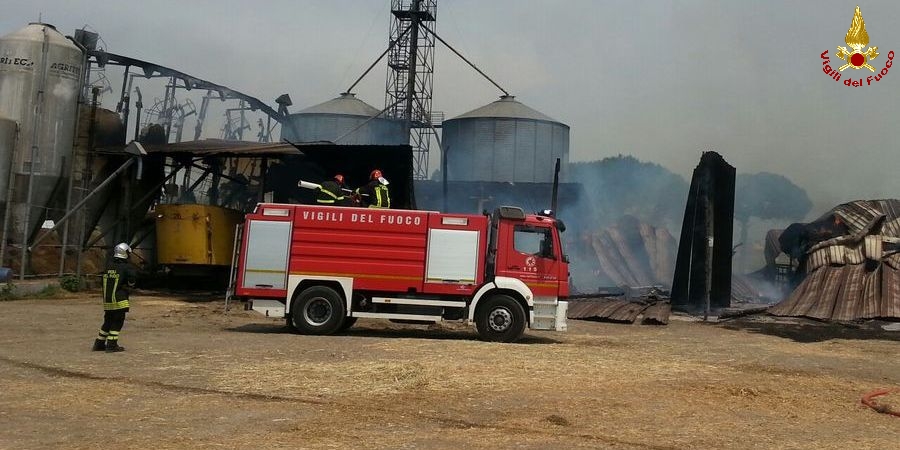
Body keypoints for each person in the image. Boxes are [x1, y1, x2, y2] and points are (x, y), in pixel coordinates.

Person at [92, 243, 137, 353]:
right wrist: (130, 286)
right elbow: (132, 280)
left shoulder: (108, 266)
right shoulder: (126, 267)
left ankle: (99, 343)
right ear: (125, 253)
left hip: (107, 300)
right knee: (118, 321)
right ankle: (112, 345)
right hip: (120, 299)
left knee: (107, 321)